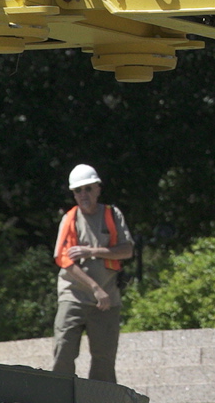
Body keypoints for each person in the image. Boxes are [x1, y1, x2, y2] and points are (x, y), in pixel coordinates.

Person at [52, 164, 134, 382]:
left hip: (107, 300)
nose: (83, 195)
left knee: (104, 360)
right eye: (78, 191)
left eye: (88, 188)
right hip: (74, 296)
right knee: (63, 351)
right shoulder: (70, 219)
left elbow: (127, 250)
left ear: (98, 188)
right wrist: (95, 288)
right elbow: (64, 260)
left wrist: (92, 251)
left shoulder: (112, 214)